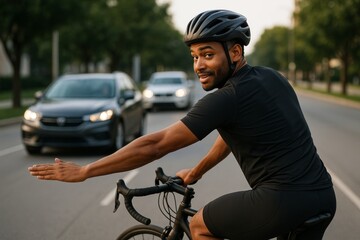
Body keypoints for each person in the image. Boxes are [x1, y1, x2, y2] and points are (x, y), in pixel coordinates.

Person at [28, 9, 336, 240]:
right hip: (323, 195)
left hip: (282, 201)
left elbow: (156, 145)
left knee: (200, 226)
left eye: (207, 54)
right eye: (194, 55)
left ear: (235, 52)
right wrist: (197, 170)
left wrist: (86, 171)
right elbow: (233, 136)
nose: (199, 65)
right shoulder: (271, 77)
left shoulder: (227, 97)